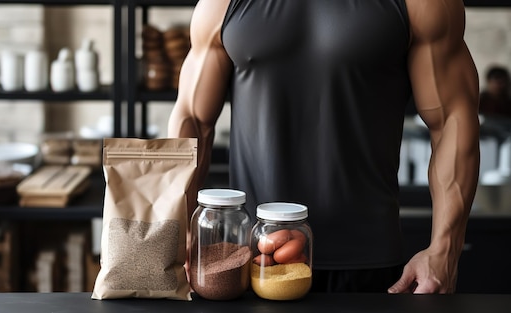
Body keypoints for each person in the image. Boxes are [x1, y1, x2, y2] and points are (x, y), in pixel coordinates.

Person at [168, 0, 480, 294]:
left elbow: (454, 117)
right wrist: (179, 228)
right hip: (254, 259)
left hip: (367, 264)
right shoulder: (223, 4)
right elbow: (193, 119)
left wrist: (445, 249)